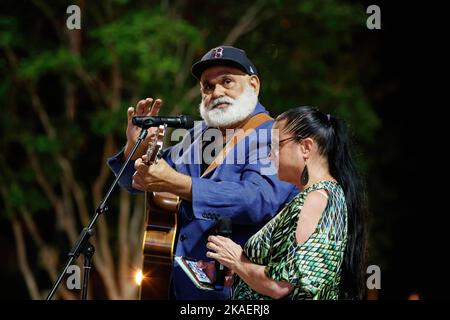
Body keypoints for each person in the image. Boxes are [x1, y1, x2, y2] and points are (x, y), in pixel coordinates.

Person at [107, 46, 298, 299]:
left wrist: (179, 184)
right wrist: (136, 148)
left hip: (238, 293)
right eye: (207, 86)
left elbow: (258, 199)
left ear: (254, 84)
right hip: (174, 288)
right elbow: (138, 181)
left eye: (227, 81)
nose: (216, 92)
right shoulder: (199, 135)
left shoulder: (272, 135)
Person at [207, 106, 368, 299]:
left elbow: (280, 286)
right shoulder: (321, 196)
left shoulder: (316, 199)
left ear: (306, 147)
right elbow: (293, 275)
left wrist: (237, 261)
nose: (269, 156)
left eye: (276, 145)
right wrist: (241, 274)